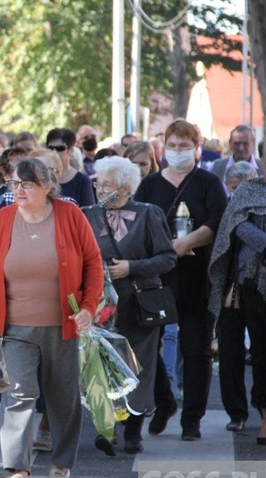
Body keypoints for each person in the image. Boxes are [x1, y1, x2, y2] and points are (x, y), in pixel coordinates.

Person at [0, 158, 104, 478]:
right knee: (20, 395)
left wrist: (90, 307)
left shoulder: (69, 215)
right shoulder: (1, 221)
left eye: (26, 184)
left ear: (47, 186)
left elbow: (93, 261)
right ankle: (18, 469)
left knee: (63, 398)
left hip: (62, 325)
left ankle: (61, 462)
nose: (18, 190)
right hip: (15, 327)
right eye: (14, 184)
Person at [133, 119, 227, 441]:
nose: (177, 152)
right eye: (172, 146)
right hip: (156, 277)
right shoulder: (150, 185)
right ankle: (164, 401)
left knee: (195, 348)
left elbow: (218, 219)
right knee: (146, 345)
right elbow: (138, 222)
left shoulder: (208, 182)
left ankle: (192, 420)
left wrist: (188, 242)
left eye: (184, 146)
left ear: (196, 148)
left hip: (196, 276)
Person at [82, 157, 177, 454]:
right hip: (100, 304)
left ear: (124, 187)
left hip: (138, 303)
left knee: (139, 366)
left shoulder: (149, 214)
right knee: (102, 365)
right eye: (97, 182)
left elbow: (167, 258)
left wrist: (131, 267)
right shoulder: (87, 215)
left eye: (106, 184)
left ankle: (133, 430)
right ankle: (106, 428)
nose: (99, 188)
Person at [208, 177, 266, 446]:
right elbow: (235, 223)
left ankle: (265, 406)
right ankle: (253, 413)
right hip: (249, 281)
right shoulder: (250, 188)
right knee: (249, 352)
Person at [46, 127, 95, 207]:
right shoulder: (41, 178)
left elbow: (88, 214)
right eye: (51, 148)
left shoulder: (82, 181)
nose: (54, 153)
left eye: (60, 148)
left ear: (71, 150)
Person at [211, 125, 263, 192]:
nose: (241, 148)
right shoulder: (215, 167)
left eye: (245, 143)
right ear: (230, 142)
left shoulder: (265, 169)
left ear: (253, 142)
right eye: (237, 144)